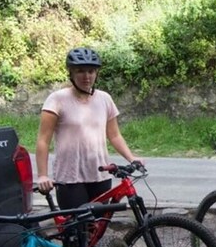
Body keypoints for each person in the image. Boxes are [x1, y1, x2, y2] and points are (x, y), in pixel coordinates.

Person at [35, 47, 144, 209]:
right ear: (71, 73)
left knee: (97, 228)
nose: (86, 76)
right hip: (70, 178)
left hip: (100, 175)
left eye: (91, 71)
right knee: (76, 230)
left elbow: (114, 135)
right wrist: (43, 175)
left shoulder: (104, 99)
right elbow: (43, 140)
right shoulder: (57, 99)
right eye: (80, 71)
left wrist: (131, 158)